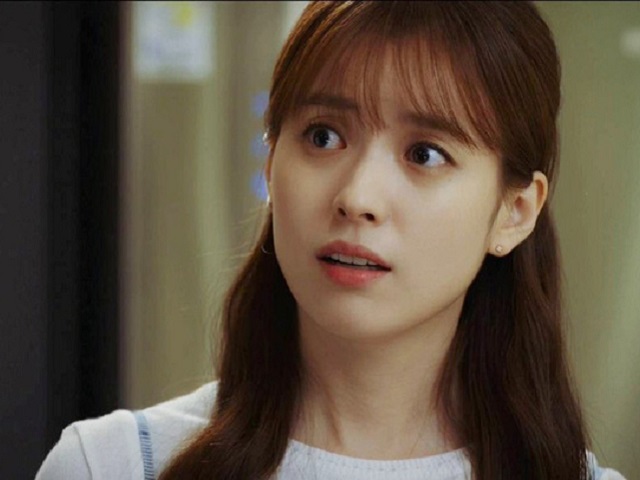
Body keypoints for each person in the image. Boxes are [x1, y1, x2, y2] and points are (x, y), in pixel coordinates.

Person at [37, 2, 626, 479]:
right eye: (323, 136)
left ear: (514, 213)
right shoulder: (112, 465)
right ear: (271, 162)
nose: (357, 196)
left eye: (425, 154)